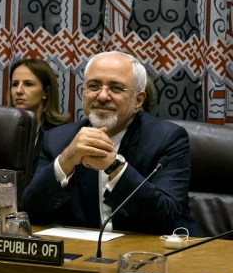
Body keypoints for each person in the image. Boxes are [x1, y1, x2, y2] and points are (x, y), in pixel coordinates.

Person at [20, 51, 195, 235]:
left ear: (139, 100)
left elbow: (167, 218)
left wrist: (114, 167)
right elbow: (30, 213)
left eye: (116, 88)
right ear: (83, 93)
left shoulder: (166, 138)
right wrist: (66, 159)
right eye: (94, 86)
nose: (102, 96)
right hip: (82, 254)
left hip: (146, 253)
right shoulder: (57, 140)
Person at [8, 58, 70, 169]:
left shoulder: (61, 135)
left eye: (28, 84)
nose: (18, 90)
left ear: (45, 92)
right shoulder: (1, 130)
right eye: (15, 84)